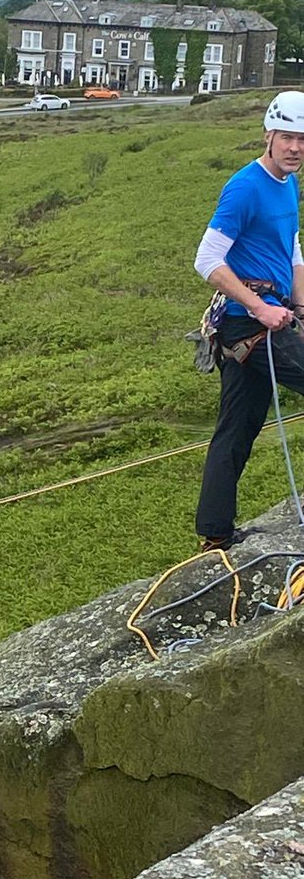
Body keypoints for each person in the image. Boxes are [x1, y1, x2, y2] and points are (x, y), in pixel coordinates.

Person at [194, 91, 304, 551]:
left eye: (303, 139)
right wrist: (261, 307)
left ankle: (215, 533)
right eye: (287, 138)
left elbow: (290, 246)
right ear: (268, 135)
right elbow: (207, 259)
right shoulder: (245, 186)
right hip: (250, 325)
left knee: (238, 426)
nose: (295, 147)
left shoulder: (289, 184)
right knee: (237, 426)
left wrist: (300, 306)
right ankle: (215, 532)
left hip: (267, 320)